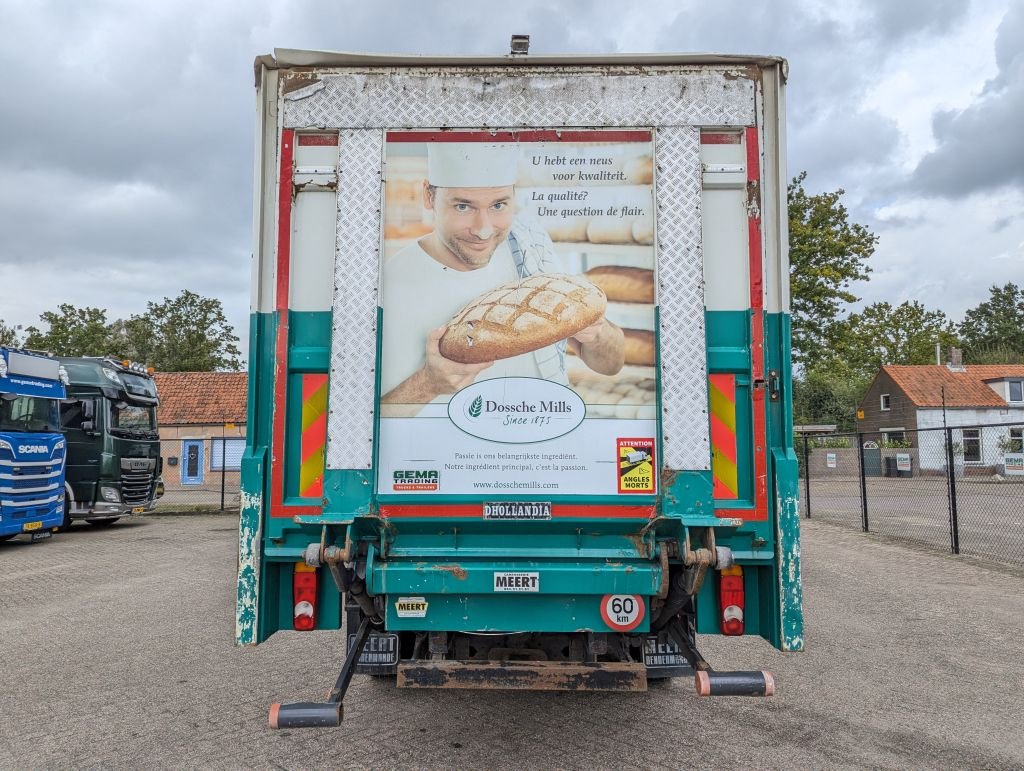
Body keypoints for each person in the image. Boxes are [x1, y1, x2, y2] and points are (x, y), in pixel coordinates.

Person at [381, 142, 624, 406]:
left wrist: (597, 334)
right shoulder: (391, 282)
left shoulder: (529, 242)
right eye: (463, 207)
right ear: (429, 196)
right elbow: (360, 423)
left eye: (498, 205)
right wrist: (426, 385)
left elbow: (611, 364)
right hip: (454, 447)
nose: (483, 230)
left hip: (549, 438)